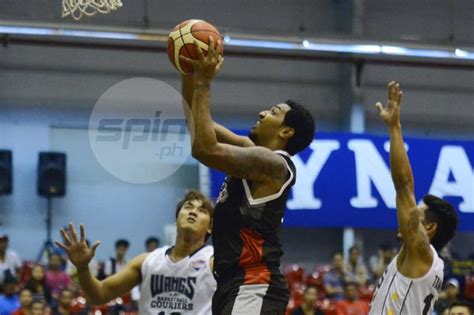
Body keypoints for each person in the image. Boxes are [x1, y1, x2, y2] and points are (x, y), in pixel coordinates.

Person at [181, 37, 315, 315]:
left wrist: (204, 84)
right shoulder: (251, 152)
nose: (262, 112)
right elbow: (196, 125)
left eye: (273, 112)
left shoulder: (275, 166)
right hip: (232, 284)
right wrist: (188, 70)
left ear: (286, 132)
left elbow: (203, 149)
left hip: (255, 283)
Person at [368, 82, 458, 314]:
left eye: (416, 212)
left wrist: (395, 127)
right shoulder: (419, 260)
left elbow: (403, 185)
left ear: (428, 228)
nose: (406, 213)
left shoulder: (422, 254)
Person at [55, 190, 216, 315]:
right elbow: (98, 295)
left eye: (202, 210)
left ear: (210, 226)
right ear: (176, 219)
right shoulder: (148, 261)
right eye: (188, 207)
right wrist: (83, 267)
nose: (193, 212)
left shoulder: (215, 261)